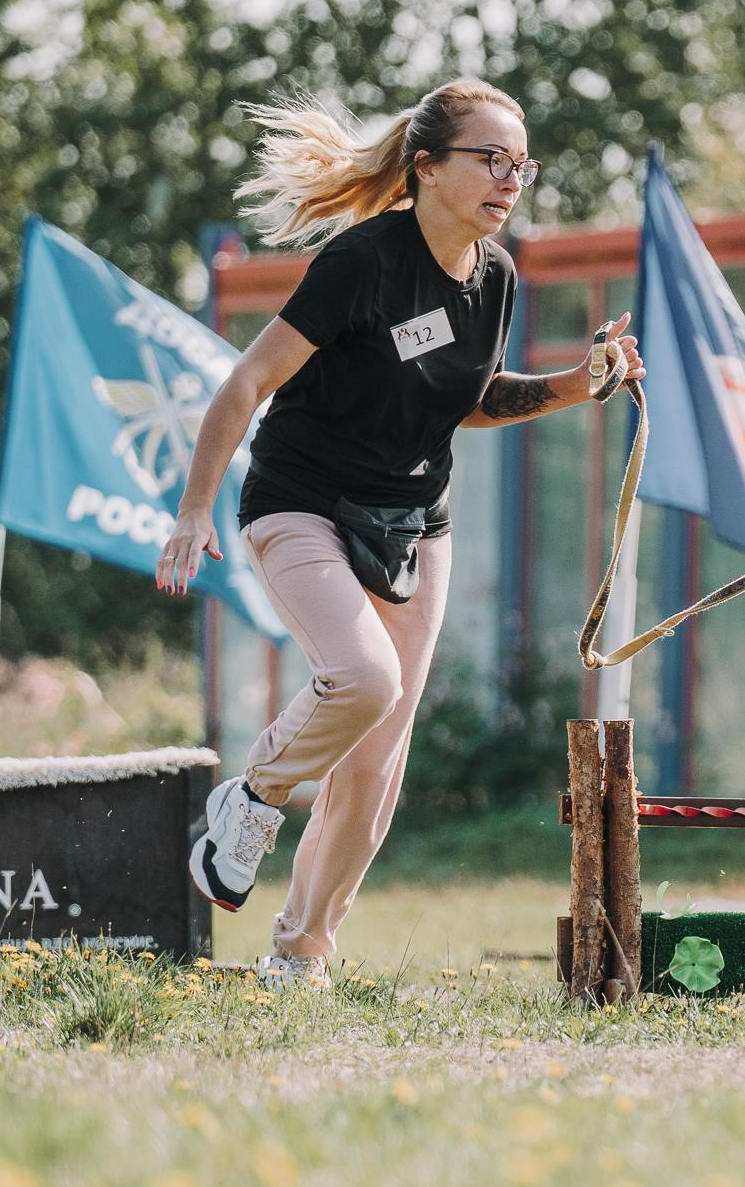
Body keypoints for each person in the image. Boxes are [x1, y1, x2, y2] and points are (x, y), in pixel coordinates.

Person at [157, 78, 641, 988]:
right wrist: (194, 509)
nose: (510, 178)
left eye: (520, 163)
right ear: (426, 167)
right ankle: (252, 797)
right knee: (362, 679)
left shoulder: (494, 276)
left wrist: (580, 382)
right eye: (490, 159)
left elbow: (471, 399)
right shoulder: (362, 263)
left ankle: (301, 956)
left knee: (377, 765)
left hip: (416, 525)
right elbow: (245, 384)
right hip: (301, 505)